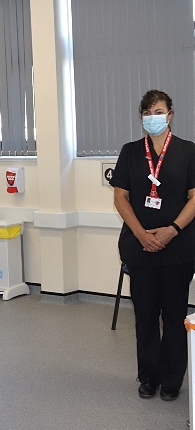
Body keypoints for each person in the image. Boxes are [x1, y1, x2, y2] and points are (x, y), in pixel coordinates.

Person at [110, 89, 195, 401]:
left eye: (158, 111)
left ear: (170, 115)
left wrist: (172, 230)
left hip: (179, 249)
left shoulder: (188, 151)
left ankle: (172, 380)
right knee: (145, 316)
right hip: (140, 247)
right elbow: (120, 196)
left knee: (174, 316)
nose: (153, 117)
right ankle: (149, 376)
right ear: (142, 117)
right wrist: (142, 234)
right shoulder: (131, 152)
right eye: (147, 112)